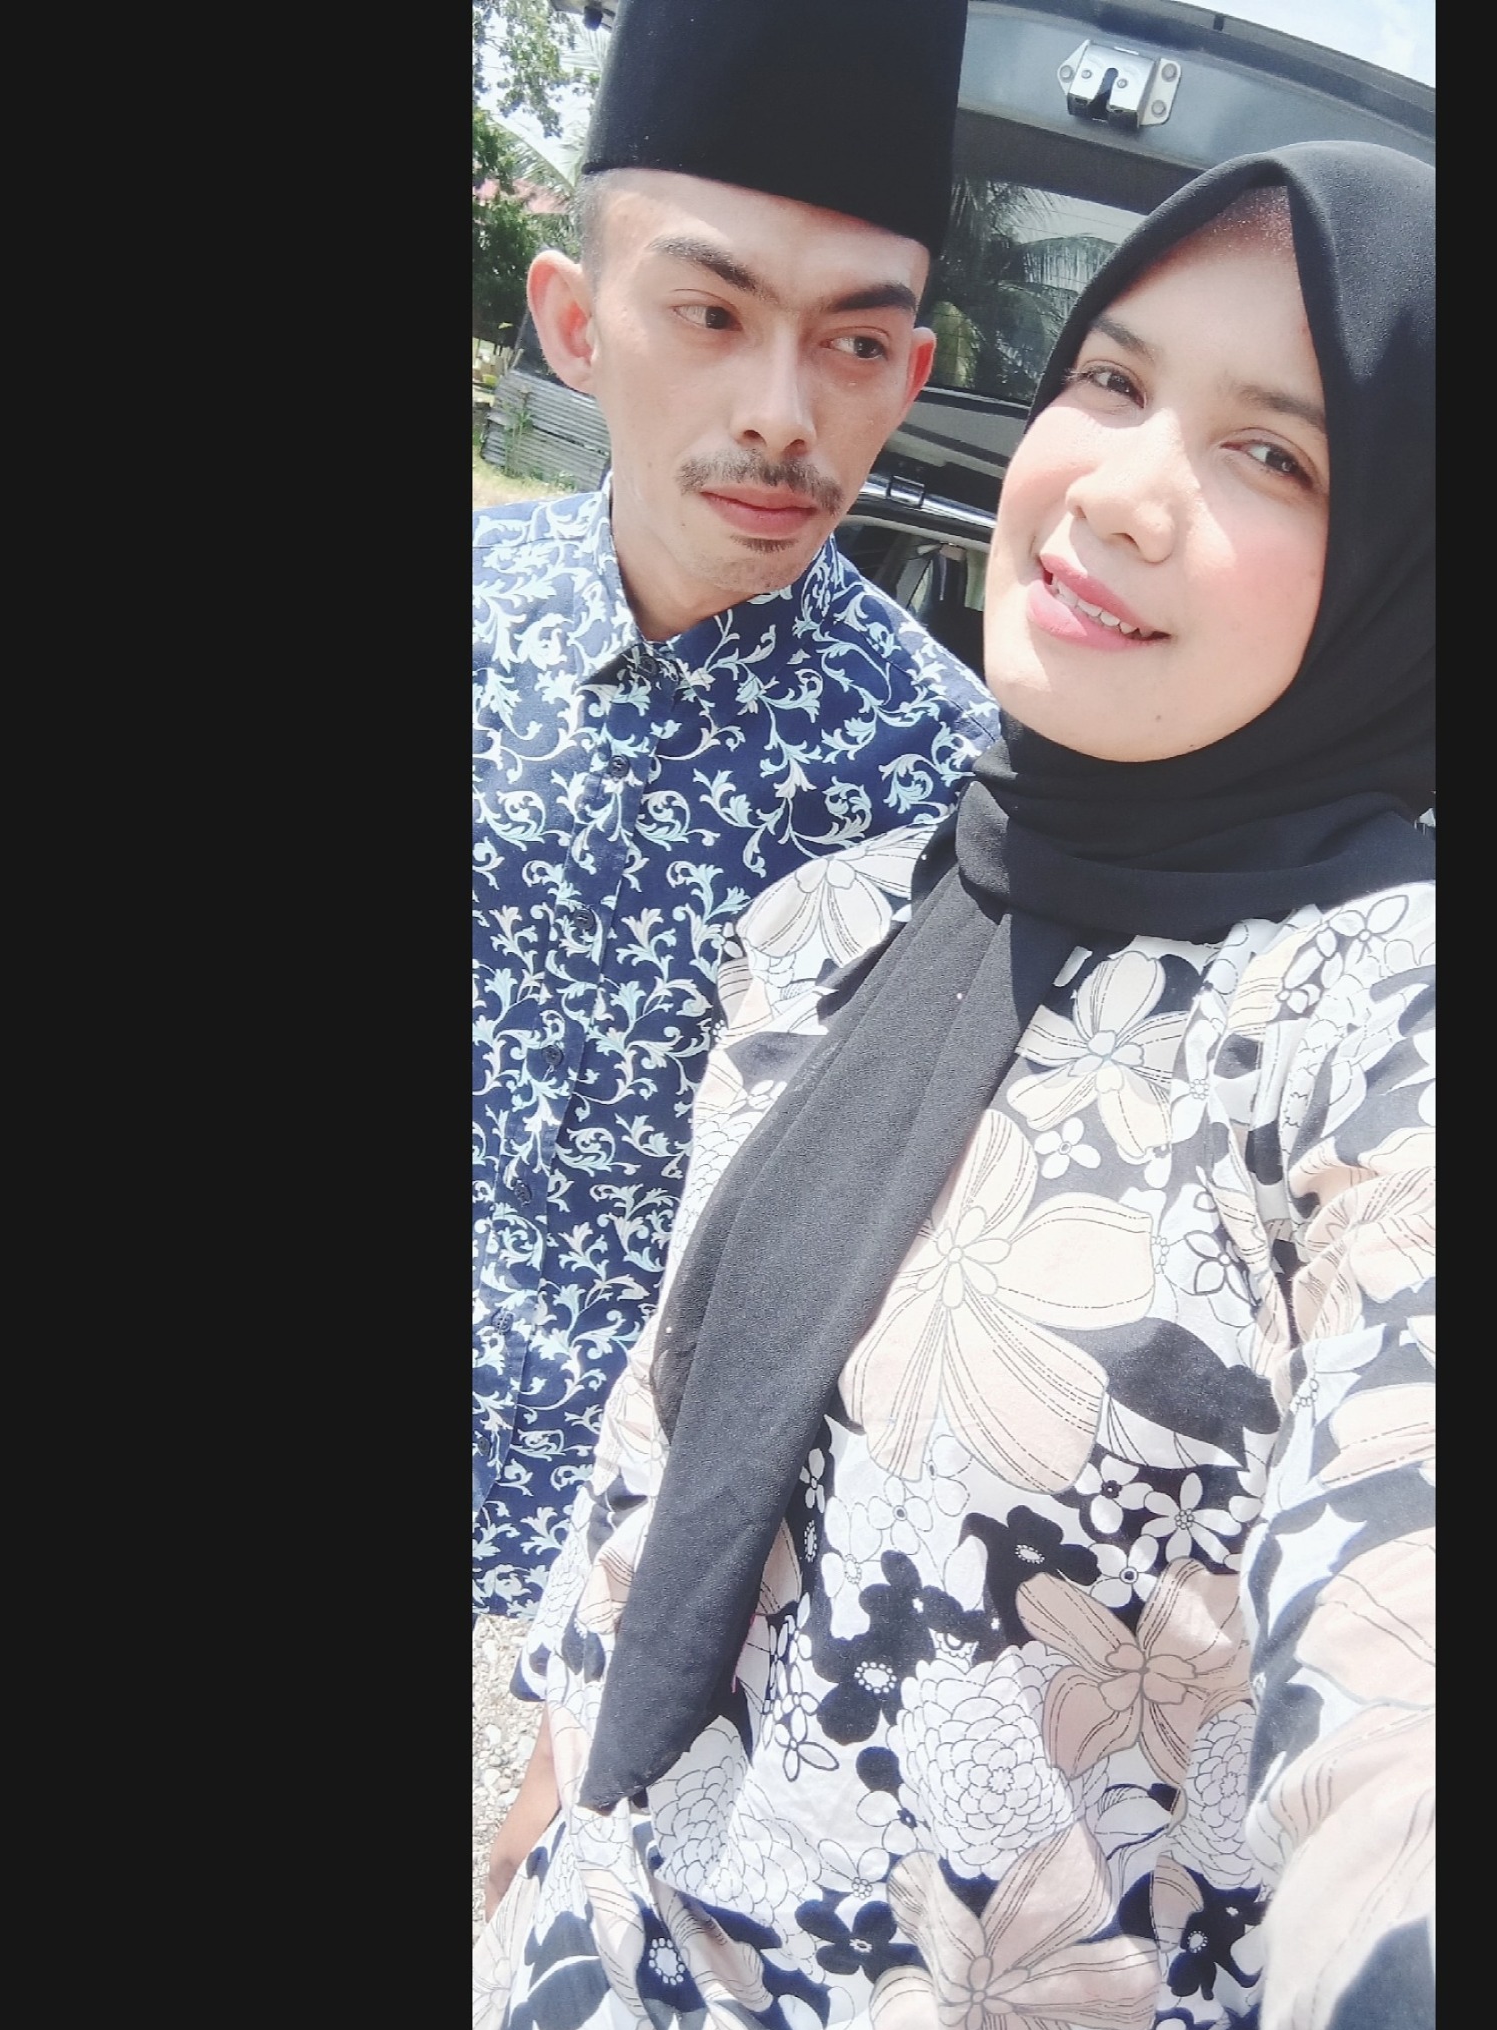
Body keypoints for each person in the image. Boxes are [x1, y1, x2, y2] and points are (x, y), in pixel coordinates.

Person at [477, 140, 1435, 2030]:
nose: (1123, 489)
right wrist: (519, 1839)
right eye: (1113, 380)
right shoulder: (842, 922)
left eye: (1273, 453)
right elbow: (662, 1475)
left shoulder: (1370, 1025)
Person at [474, 0, 997, 1617]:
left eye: (854, 343)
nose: (783, 412)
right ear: (575, 324)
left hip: (640, 1568)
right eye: (709, 311)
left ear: (910, 375)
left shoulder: (955, 789)